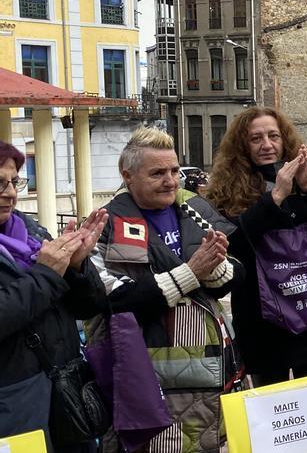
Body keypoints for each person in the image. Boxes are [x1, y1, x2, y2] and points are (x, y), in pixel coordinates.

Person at [89, 127, 243, 452]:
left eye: (174, 170)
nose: (171, 181)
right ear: (127, 176)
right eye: (157, 173)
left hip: (211, 370)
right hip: (148, 380)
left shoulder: (193, 211)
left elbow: (229, 280)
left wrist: (216, 266)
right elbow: (119, 301)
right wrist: (192, 271)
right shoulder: (106, 224)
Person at [207, 108, 307, 386]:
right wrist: (275, 197)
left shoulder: (304, 179)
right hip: (262, 318)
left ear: (284, 139)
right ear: (242, 145)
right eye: (256, 138)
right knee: (273, 410)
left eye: (273, 136)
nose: (267, 145)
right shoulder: (228, 188)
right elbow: (234, 244)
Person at [0, 143, 108, 453]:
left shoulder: (31, 231)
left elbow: (89, 306)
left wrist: (76, 268)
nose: (10, 192)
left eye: (15, 181)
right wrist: (47, 274)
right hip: (14, 405)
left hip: (65, 396)